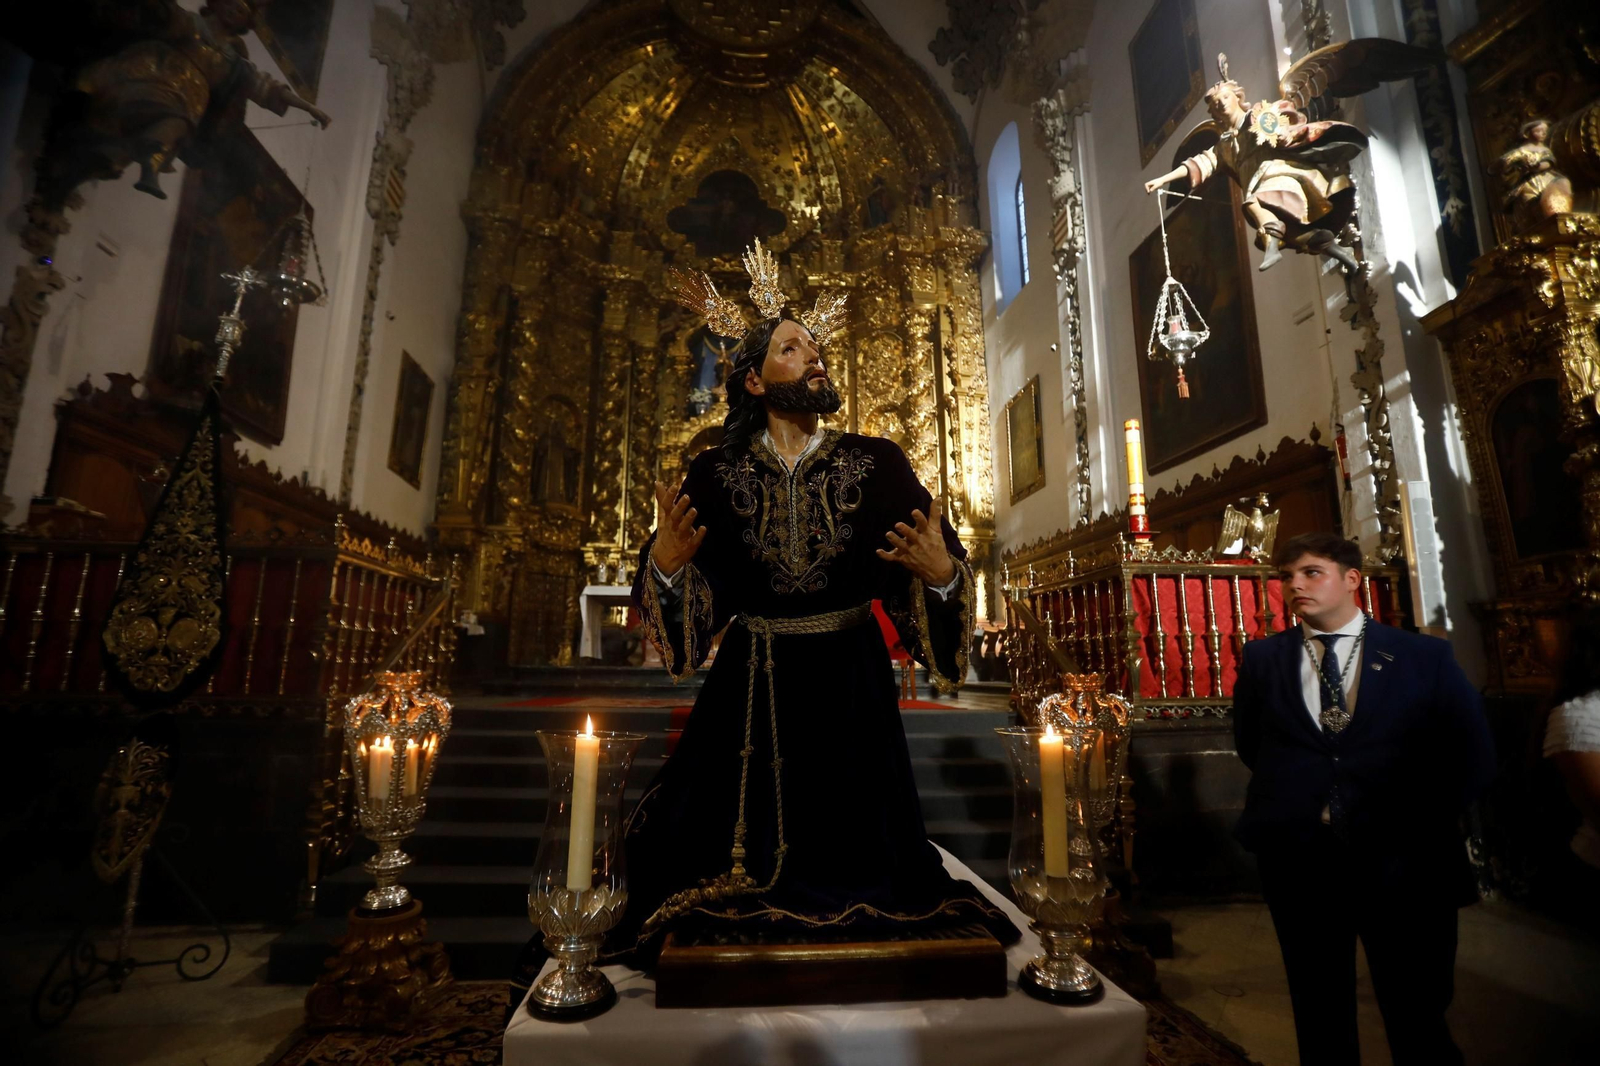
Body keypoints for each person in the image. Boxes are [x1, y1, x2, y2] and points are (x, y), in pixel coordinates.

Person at [603, 256, 1019, 964]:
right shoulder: (716, 473)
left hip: (849, 682)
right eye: (792, 348)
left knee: (860, 856)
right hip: (751, 679)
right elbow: (689, 599)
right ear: (756, 380)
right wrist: (667, 568)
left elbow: (932, 561)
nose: (815, 358)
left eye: (815, 346)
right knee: (716, 854)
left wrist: (944, 575)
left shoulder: (878, 463)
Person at [1232, 532, 1495, 1066]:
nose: (1295, 585)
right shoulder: (1264, 659)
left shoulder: (1423, 656)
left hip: (1403, 859)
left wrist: (1419, 820)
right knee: (1319, 1007)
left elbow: (1471, 751)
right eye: (1286, 577)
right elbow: (1253, 744)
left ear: (1352, 579)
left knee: (1415, 1009)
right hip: (1302, 857)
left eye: (1310, 572)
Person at [1144, 54, 1366, 275]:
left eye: (1224, 97)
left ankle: (1272, 248)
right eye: (1215, 103)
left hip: (1277, 173)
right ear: (1213, 113)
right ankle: (1340, 253)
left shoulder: (1257, 116)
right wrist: (1163, 180)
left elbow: (1282, 130)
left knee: (1252, 204)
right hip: (1257, 183)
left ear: (1237, 97)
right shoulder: (1224, 144)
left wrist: (1284, 136)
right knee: (1299, 235)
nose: (1220, 103)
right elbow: (1201, 163)